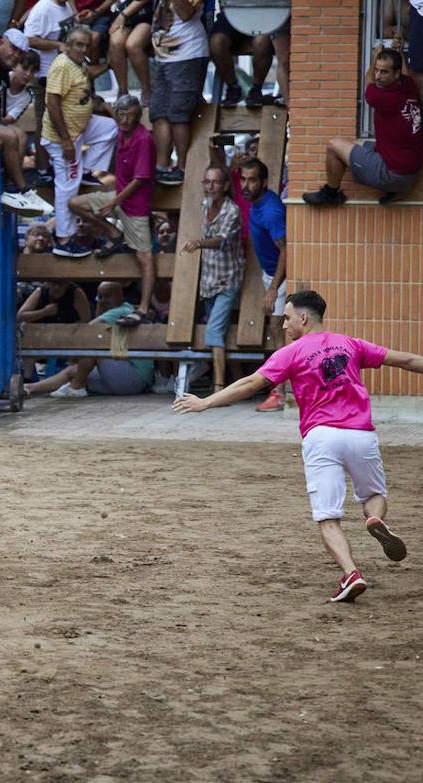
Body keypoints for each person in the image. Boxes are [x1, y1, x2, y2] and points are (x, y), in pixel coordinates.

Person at [174, 290, 421, 603]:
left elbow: (251, 383)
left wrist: (207, 401)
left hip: (322, 437)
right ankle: (376, 519)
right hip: (361, 434)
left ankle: (351, 574)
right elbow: (407, 360)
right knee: (373, 495)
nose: (284, 326)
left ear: (303, 318)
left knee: (328, 518)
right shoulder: (351, 343)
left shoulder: (291, 352)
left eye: (287, 318)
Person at [67, 95, 155, 316]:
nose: (125, 120)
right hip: (117, 196)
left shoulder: (143, 139)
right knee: (74, 203)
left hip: (135, 205)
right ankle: (113, 232)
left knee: (144, 258)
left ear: (138, 117)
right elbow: (113, 112)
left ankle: (143, 308)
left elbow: (140, 179)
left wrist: (113, 203)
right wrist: (102, 103)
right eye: (122, 115)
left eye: (131, 116)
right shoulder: (120, 127)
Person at [303, 47, 423, 206]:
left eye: (384, 72)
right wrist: (398, 50)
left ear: (396, 73)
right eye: (377, 70)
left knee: (334, 146)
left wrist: (374, 58)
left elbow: (368, 81)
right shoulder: (409, 87)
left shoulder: (382, 96)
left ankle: (331, 194)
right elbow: (405, 73)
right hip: (410, 172)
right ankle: (397, 190)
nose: (378, 76)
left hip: (392, 174)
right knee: (354, 145)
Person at [42, 25, 116, 258]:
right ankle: (64, 238)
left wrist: (107, 66)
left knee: (110, 128)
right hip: (64, 135)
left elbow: (87, 75)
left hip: (82, 128)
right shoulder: (62, 65)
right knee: (67, 186)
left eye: (86, 45)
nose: (83, 49)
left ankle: (87, 170)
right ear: (68, 44)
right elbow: (52, 103)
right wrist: (65, 140)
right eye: (78, 45)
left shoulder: (78, 63)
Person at [23, 280, 155, 397]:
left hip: (134, 377)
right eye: (100, 297)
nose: (103, 301)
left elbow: (89, 330)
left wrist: (75, 355)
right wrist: (100, 304)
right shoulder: (116, 310)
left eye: (108, 296)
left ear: (120, 296)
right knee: (74, 370)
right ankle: (30, 388)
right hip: (125, 379)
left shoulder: (121, 310)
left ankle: (76, 387)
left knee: (93, 344)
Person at [181, 164, 243, 393]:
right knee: (219, 331)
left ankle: (219, 386)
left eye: (215, 182)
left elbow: (221, 240)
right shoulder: (204, 204)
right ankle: (236, 380)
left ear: (225, 186)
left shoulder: (232, 211)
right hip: (209, 279)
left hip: (227, 279)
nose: (210, 186)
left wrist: (199, 243)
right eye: (207, 182)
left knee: (213, 331)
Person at [239, 157, 290, 412]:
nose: (246, 185)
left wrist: (273, 289)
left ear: (265, 182)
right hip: (270, 274)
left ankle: (280, 392)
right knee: (277, 331)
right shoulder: (255, 202)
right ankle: (280, 388)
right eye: (243, 179)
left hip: (280, 277)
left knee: (278, 330)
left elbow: (286, 250)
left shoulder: (270, 210)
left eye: (252, 180)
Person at [0, 34, 50, 213]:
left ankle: (11, 184)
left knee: (18, 135)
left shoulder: (26, 95)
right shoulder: (3, 75)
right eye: (25, 68)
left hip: (1, 123)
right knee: (19, 135)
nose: (28, 74)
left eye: (33, 71)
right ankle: (15, 187)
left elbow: (10, 118)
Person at [149, 0, 209, 186]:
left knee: (178, 114)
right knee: (158, 112)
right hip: (164, 58)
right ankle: (162, 167)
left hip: (188, 54)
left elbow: (186, 13)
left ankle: (182, 168)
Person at [22, 0, 76, 175]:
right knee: (44, 123)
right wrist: (57, 45)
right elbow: (29, 38)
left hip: (63, 74)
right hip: (44, 75)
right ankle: (42, 169)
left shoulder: (66, 6)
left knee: (58, 121)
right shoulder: (43, 8)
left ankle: (53, 165)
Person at [209, 5, 274, 109]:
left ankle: (256, 89)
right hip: (232, 13)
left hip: (262, 13)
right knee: (216, 42)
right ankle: (232, 87)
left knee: (262, 42)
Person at [107, 0, 151, 103]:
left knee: (133, 45)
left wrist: (123, 15)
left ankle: (146, 89)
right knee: (115, 43)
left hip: (145, 14)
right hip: (122, 14)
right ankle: (122, 91)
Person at [16, 278, 90, 323]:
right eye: (53, 282)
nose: (57, 287)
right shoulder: (40, 292)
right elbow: (20, 317)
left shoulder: (77, 293)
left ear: (68, 282)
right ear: (47, 282)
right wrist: (44, 312)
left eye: (61, 283)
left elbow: (86, 320)